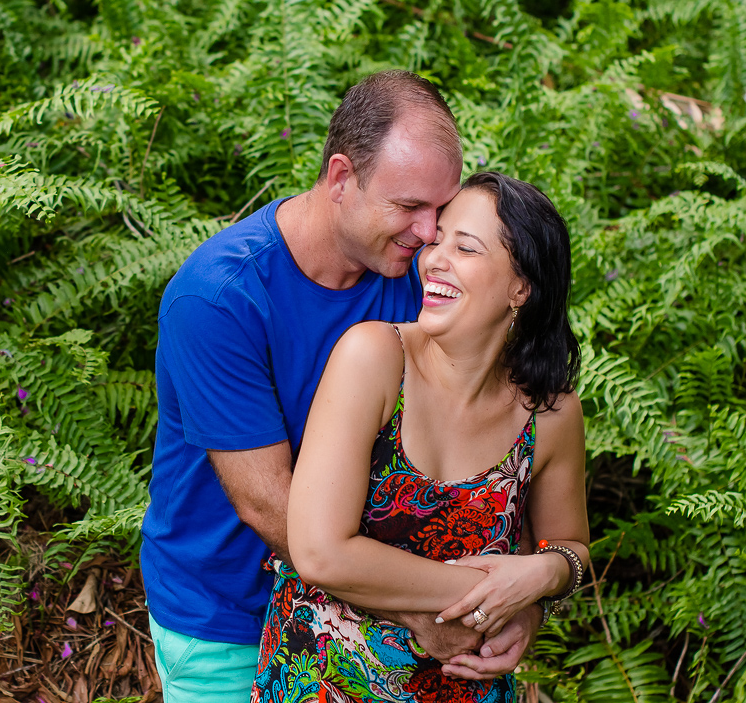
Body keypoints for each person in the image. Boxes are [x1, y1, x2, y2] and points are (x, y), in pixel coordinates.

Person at [141, 71, 544, 702]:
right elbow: (272, 507)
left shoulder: (420, 278)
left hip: (377, 616)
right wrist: (442, 608)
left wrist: (521, 600)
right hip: (228, 616)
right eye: (408, 205)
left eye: (441, 209)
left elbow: (491, 443)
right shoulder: (219, 299)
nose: (429, 232)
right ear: (339, 178)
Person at [252, 172, 590, 701]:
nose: (434, 259)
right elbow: (319, 551)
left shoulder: (550, 413)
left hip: (467, 690)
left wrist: (536, 591)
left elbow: (568, 547)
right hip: (323, 680)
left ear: (520, 287)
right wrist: (491, 595)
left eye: (466, 247)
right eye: (437, 241)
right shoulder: (374, 358)